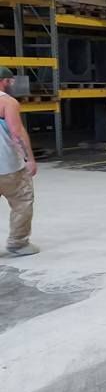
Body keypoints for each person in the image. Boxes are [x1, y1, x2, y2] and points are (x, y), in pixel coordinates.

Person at [0, 66, 39, 256]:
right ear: (4, 81)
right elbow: (16, 134)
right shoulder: (7, 102)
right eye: (11, 80)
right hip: (7, 167)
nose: (12, 84)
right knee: (22, 200)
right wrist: (29, 159)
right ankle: (18, 243)